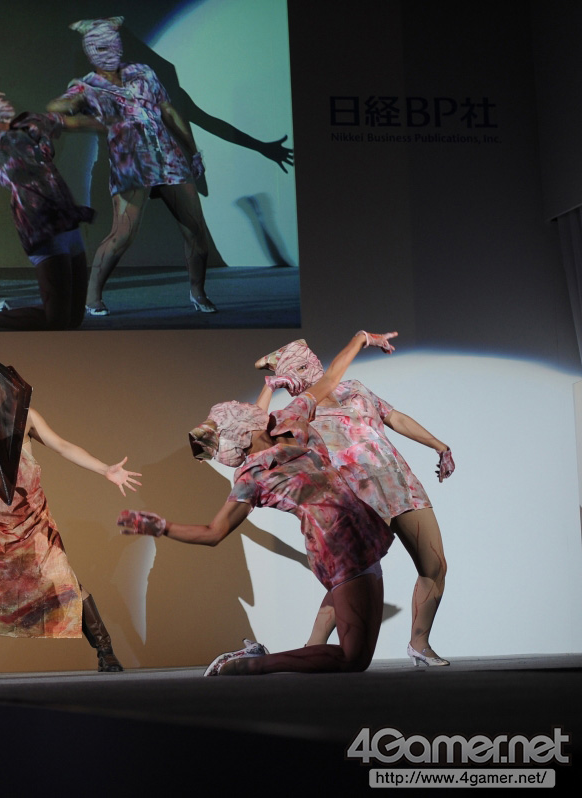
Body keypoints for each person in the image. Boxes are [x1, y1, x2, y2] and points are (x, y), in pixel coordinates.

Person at [119, 331, 399, 675]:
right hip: (340, 546)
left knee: (356, 656)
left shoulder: (291, 418)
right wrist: (162, 527)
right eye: (243, 410)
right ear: (241, 431)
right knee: (353, 659)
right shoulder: (252, 476)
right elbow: (214, 531)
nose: (250, 408)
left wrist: (361, 339)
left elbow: (329, 378)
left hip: (363, 532)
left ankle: (257, 660)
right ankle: (251, 664)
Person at [255, 339, 454, 665]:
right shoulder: (299, 414)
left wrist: (439, 445)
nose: (312, 367)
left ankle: (420, 644)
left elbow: (394, 418)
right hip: (361, 499)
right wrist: (269, 386)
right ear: (291, 380)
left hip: (401, 484)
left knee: (435, 565)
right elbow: (256, 432)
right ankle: (312, 648)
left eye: (310, 360)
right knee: (350, 582)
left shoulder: (354, 389)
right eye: (300, 367)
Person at [0, 401, 140, 675]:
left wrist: (105, 469)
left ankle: (105, 650)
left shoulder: (24, 418)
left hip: (31, 522)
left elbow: (62, 446)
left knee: (63, 582)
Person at [48, 17, 217, 315]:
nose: (110, 51)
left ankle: (198, 292)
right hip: (131, 166)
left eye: (114, 44)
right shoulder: (88, 85)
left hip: (168, 160)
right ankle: (91, 296)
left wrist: (193, 152)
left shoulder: (143, 72)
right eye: (101, 47)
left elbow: (169, 112)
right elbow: (56, 108)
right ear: (90, 51)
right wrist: (83, 106)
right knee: (123, 234)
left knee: (196, 230)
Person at [0, 89, 96, 331]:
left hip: (66, 216)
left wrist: (118, 121)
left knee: (73, 320)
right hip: (40, 222)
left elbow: (69, 122)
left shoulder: (26, 124)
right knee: (55, 320)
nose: (0, 100)